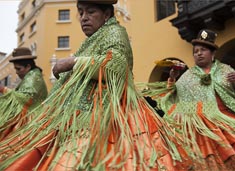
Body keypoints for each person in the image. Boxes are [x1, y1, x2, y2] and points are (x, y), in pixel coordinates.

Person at [0, 1, 195, 170]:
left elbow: (116, 66)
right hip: (78, 117)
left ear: (107, 14)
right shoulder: (93, 40)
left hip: (101, 117)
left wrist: (73, 63)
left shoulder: (115, 32)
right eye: (81, 12)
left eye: (90, 12)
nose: (83, 17)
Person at [159, 29, 235, 170]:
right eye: (195, 51)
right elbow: (172, 96)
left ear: (213, 54)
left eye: (203, 50)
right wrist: (172, 78)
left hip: (229, 120)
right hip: (202, 128)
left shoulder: (226, 69)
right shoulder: (187, 76)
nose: (198, 53)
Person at [0, 47, 48, 140]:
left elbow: (25, 98)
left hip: (32, 123)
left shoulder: (33, 78)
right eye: (15, 69)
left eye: (19, 69)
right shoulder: (31, 76)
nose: (17, 72)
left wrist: (3, 89)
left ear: (28, 66)